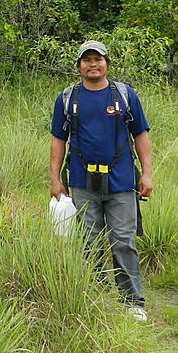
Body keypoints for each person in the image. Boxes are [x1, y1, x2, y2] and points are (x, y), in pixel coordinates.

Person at [49, 40, 153, 321]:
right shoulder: (67, 98)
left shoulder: (124, 95)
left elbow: (140, 134)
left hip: (121, 182)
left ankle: (132, 301)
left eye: (98, 59)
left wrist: (147, 173)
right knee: (89, 241)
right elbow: (59, 139)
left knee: (123, 241)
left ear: (107, 63)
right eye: (87, 60)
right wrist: (55, 179)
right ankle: (95, 296)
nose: (92, 64)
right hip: (82, 182)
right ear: (79, 66)